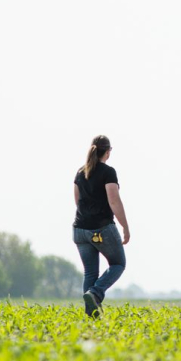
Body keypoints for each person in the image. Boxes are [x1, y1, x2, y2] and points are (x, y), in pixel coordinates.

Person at [72, 135, 130, 317]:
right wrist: (125, 227)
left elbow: (77, 200)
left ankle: (92, 316)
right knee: (118, 263)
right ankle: (95, 293)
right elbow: (114, 201)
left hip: (79, 229)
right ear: (108, 151)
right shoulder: (108, 172)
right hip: (101, 228)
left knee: (90, 272)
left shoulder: (80, 172)